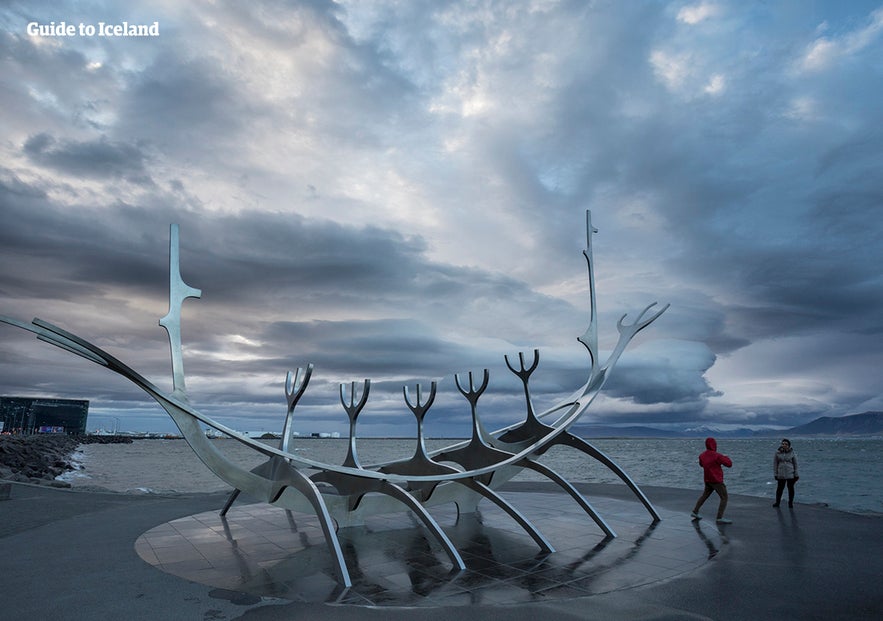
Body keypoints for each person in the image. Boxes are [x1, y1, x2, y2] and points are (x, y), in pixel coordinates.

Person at [691, 437, 733, 524]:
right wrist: (726, 457)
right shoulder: (717, 456)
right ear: (714, 445)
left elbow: (701, 465)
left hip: (707, 480)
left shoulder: (702, 455)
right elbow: (729, 464)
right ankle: (719, 517)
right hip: (716, 480)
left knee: (704, 496)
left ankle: (695, 511)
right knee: (724, 497)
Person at [773, 438, 799, 508]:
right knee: (779, 489)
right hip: (781, 474)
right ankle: (777, 502)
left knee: (790, 489)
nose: (784, 445)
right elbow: (775, 464)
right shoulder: (777, 453)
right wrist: (775, 474)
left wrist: (796, 474)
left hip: (790, 474)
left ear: (789, 446)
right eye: (783, 444)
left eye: (786, 444)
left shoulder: (792, 453)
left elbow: (795, 464)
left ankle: (790, 503)